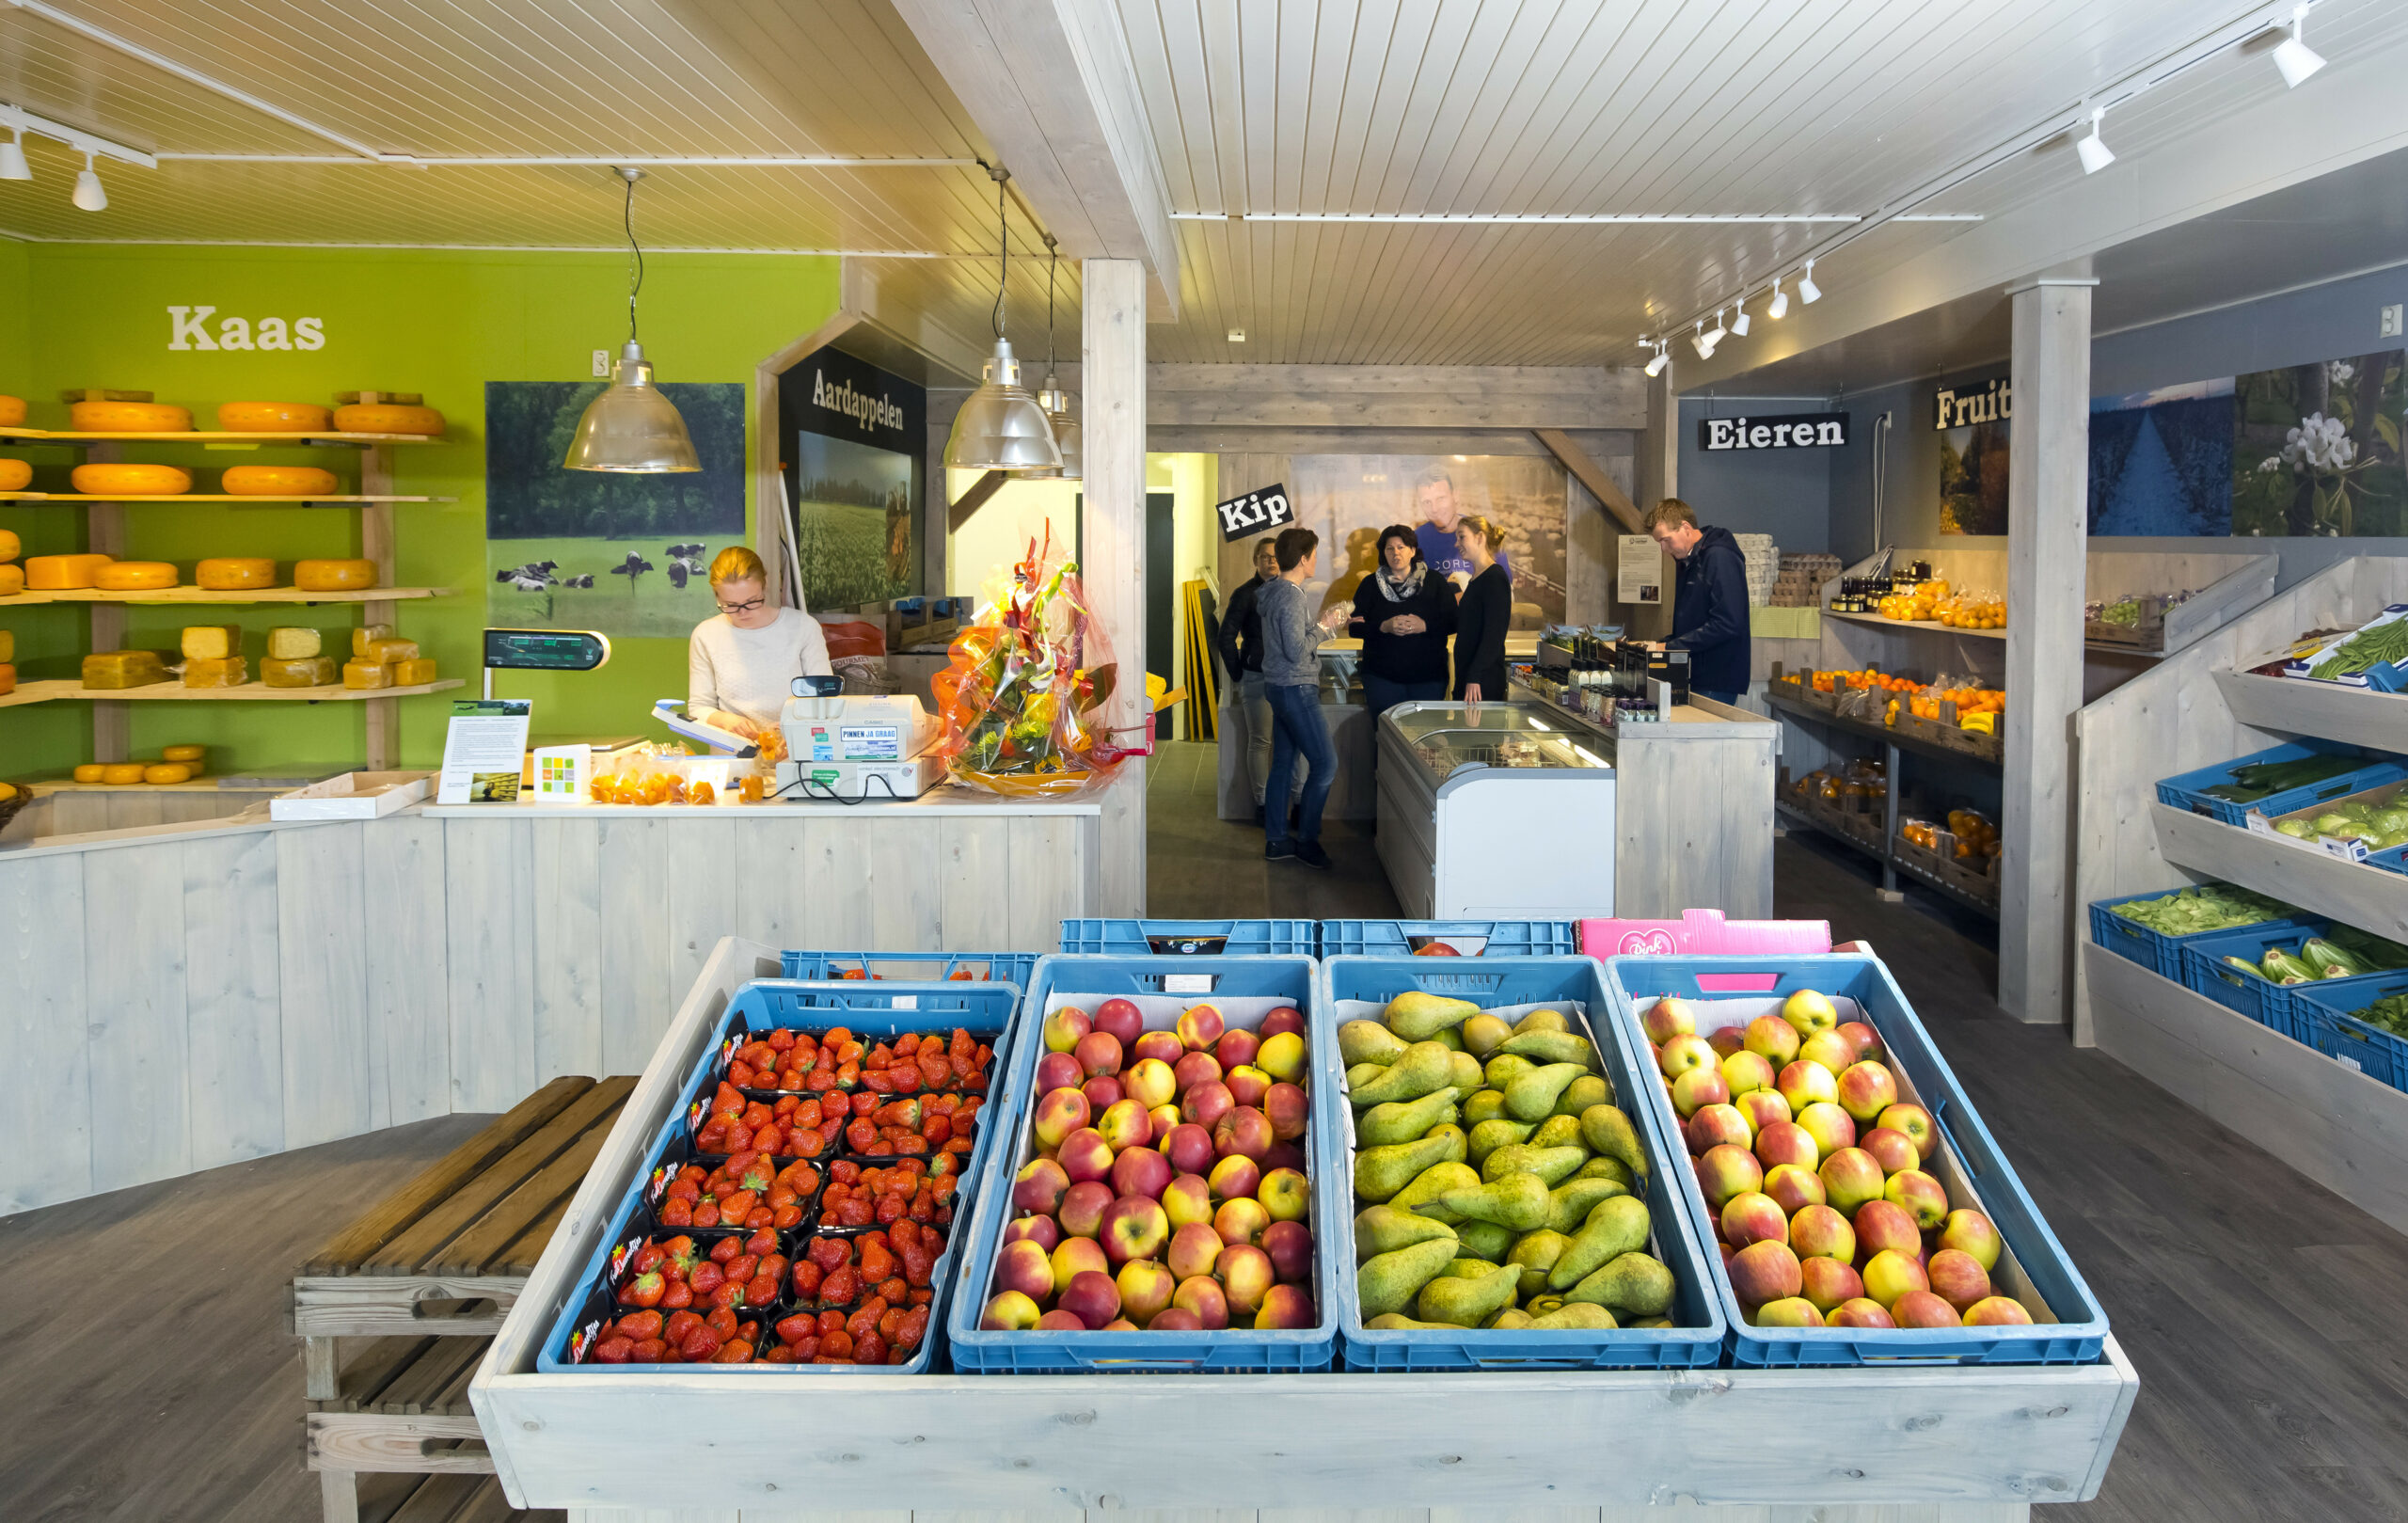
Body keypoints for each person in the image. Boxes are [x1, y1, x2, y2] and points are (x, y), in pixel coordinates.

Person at [1259, 525, 1353, 867]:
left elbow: (1291, 641)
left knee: (1283, 764)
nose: (1317, 560)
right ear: (1303, 559)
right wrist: (1327, 628)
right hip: (1296, 688)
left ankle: (1278, 841)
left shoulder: (1274, 591)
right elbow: (1297, 650)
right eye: (1314, 554)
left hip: (1281, 687)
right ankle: (1307, 842)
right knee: (1325, 764)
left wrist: (1323, 624)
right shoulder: (1291, 595)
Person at [688, 546, 833, 740]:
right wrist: (726, 721)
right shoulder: (706, 635)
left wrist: (794, 728)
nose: (743, 612)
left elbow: (825, 699)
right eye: (731, 605)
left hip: (797, 750)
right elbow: (698, 707)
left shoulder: (802, 627)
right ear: (716, 596)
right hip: (735, 755)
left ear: (764, 586)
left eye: (752, 601)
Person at [1214, 535, 1294, 822]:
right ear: (1255, 561)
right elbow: (1225, 637)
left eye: (1275, 556)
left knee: (1292, 741)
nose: (1270, 561)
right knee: (1261, 742)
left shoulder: (1290, 590)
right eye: (1264, 556)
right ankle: (1262, 805)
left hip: (1288, 680)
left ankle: (1296, 804)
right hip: (1257, 678)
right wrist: (1239, 674)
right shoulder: (1245, 593)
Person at [1646, 498, 1751, 706]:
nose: (1663, 549)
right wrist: (1663, 643)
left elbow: (1728, 622)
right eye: (1659, 543)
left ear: (1685, 527)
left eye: (1666, 540)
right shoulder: (1690, 559)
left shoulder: (1719, 556)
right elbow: (1695, 621)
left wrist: (1670, 648)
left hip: (1715, 678)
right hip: (1696, 674)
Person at [1350, 524, 1456, 725]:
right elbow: (1355, 627)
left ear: (1413, 551)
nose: (1395, 553)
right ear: (1383, 553)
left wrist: (1425, 625)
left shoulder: (1434, 582)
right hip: (1382, 680)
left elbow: (1453, 621)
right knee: (1387, 740)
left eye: (1401, 547)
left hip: (1429, 679)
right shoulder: (1370, 585)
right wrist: (1383, 626)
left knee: (1425, 742)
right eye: (1389, 548)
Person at [1412, 467, 1512, 590]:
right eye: (1427, 502)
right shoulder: (1415, 542)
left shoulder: (1482, 534)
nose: (1435, 509)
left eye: (1441, 498)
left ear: (1455, 495)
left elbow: (1505, 586)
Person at [1450, 515, 1512, 705]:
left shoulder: (1494, 578)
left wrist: (1475, 676)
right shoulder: (1477, 578)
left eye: (1462, 537)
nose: (1456, 544)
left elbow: (1494, 634)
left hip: (1481, 682)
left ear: (1480, 537)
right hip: (1470, 676)